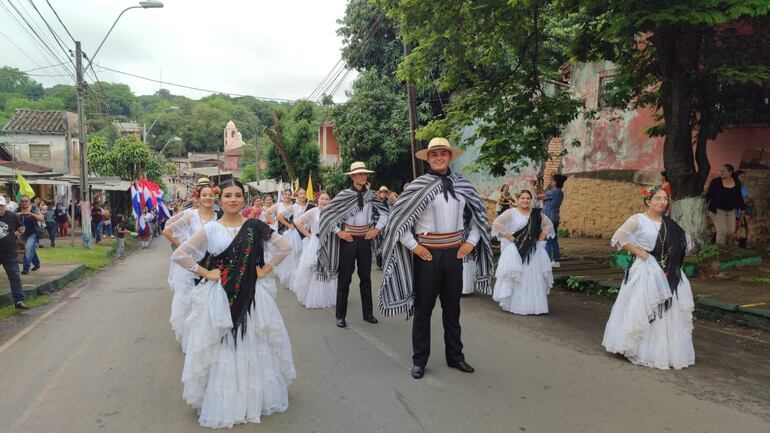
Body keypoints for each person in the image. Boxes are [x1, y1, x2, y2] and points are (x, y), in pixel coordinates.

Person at [171, 179, 296, 428]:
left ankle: (253, 397)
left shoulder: (256, 226)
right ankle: (228, 399)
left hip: (252, 294)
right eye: (227, 195)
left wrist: (266, 269)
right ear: (220, 199)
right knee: (224, 344)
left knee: (252, 340)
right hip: (220, 296)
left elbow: (284, 246)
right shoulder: (211, 229)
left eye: (238, 195)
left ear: (244, 199)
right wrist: (207, 274)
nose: (233, 199)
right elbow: (180, 254)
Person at [378, 138, 493, 379]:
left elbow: (478, 217)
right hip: (426, 255)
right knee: (423, 309)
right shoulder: (416, 186)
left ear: (450, 157)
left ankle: (456, 357)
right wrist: (413, 246)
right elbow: (397, 222)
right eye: (434, 154)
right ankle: (419, 360)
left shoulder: (463, 185)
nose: (439, 157)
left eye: (443, 153)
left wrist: (471, 242)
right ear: (428, 159)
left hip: (453, 254)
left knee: (453, 309)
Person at [603, 185, 694, 370]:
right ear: (648, 201)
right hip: (646, 269)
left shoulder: (670, 224)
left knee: (669, 311)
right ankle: (636, 347)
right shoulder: (638, 219)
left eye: (665, 199)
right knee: (642, 306)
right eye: (658, 198)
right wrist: (639, 252)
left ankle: (664, 351)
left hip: (668, 269)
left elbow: (687, 243)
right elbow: (618, 237)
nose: (662, 202)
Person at [316, 161, 389, 328]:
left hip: (365, 239)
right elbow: (326, 214)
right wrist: (338, 232)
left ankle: (368, 313)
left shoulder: (372, 195)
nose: (363, 176)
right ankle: (340, 315)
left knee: (366, 278)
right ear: (353, 176)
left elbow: (385, 213)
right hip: (347, 240)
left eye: (365, 174)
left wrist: (377, 229)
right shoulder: (343, 195)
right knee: (345, 278)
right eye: (360, 174)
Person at [164, 184, 219, 350]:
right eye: (204, 195)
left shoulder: (219, 216)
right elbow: (167, 231)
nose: (208, 198)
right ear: (198, 197)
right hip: (190, 266)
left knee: (208, 302)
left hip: (212, 264)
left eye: (211, 195)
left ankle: (207, 338)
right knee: (189, 302)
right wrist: (185, 248)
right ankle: (189, 341)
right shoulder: (191, 216)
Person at [492, 190, 555, 315]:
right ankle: (515, 305)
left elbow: (549, 225)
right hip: (516, 249)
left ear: (531, 200)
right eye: (522, 198)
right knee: (519, 277)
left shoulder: (537, 214)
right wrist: (508, 236)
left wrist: (543, 234)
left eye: (528, 198)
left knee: (532, 277)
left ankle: (533, 306)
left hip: (534, 251)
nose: (525, 200)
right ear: (518, 199)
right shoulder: (511, 212)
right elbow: (497, 223)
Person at [291, 191, 336, 308]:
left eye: (327, 199)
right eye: (322, 199)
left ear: (330, 201)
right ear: (318, 200)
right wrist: (309, 235)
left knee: (328, 268)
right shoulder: (313, 211)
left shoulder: (333, 211)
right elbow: (297, 221)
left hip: (329, 243)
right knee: (315, 268)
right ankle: (313, 297)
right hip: (316, 242)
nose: (324, 201)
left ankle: (328, 296)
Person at [0, 196, 29, 309]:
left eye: (1, 206)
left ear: (4, 206)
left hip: (10, 253)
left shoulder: (11, 216)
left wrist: (17, 233)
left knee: (15, 277)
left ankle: (19, 300)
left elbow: (21, 227)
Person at [705, 164, 744, 244]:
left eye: (723, 171)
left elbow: (739, 196)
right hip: (717, 209)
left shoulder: (736, 182)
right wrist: (704, 205)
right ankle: (720, 252)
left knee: (731, 232)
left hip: (731, 210)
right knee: (722, 231)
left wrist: (742, 208)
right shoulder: (715, 182)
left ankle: (728, 251)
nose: (720, 172)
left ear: (730, 172)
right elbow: (708, 195)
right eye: (720, 171)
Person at [268, 189, 300, 289]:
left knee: (293, 252)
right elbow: (267, 213)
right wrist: (273, 223)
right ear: (283, 195)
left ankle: (292, 274)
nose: (287, 196)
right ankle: (284, 272)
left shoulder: (295, 205)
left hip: (292, 231)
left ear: (292, 196)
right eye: (285, 194)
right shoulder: (278, 205)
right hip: (281, 230)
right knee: (283, 252)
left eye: (289, 194)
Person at [540, 174, 566, 267]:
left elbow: (540, 196)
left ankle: (547, 261)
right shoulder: (559, 192)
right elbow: (545, 194)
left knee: (547, 239)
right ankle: (556, 261)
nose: (550, 182)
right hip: (554, 218)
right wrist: (537, 187)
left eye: (551, 180)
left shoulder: (554, 192)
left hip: (548, 219)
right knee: (553, 239)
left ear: (555, 182)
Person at [17, 195, 43, 275]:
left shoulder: (34, 209)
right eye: (22, 201)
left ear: (29, 201)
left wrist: (32, 214)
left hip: (33, 233)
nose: (24, 203)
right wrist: (16, 215)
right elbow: (12, 218)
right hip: (22, 234)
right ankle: (37, 264)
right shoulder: (18, 209)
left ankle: (25, 268)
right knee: (30, 249)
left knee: (28, 248)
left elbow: (41, 218)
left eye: (25, 201)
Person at [734, 170, 753, 248]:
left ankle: (742, 248)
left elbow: (746, 199)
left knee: (743, 231)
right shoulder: (731, 187)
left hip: (741, 212)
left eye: (744, 177)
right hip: (732, 213)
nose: (744, 179)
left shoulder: (744, 188)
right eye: (742, 177)